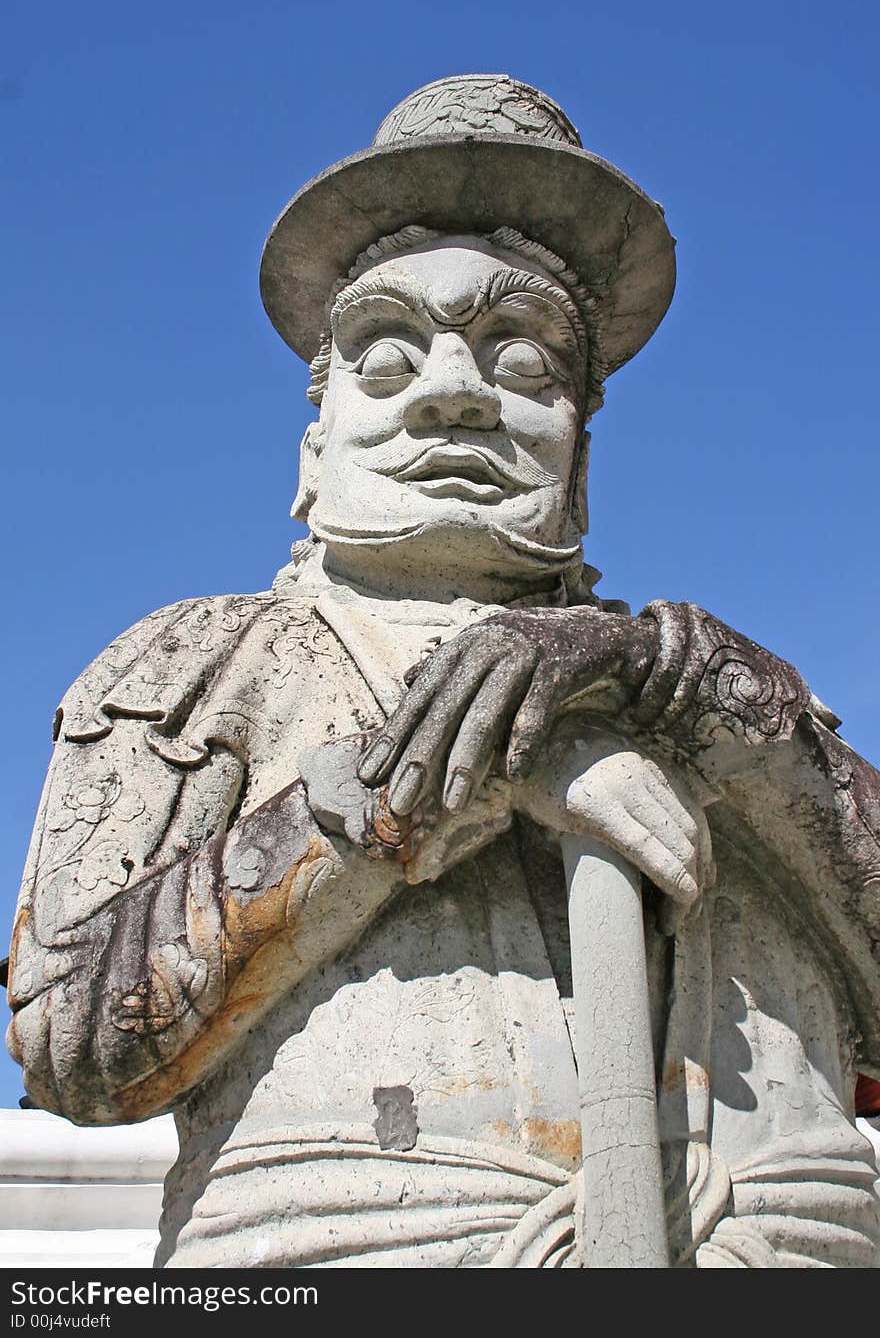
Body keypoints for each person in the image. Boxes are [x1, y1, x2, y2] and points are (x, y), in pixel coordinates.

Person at [6, 75, 880, 1268]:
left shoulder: (724, 706)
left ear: (578, 447)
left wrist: (649, 665)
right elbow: (69, 1042)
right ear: (315, 443)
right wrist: (441, 775)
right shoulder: (196, 668)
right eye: (383, 360)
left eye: (523, 363)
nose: (455, 393)